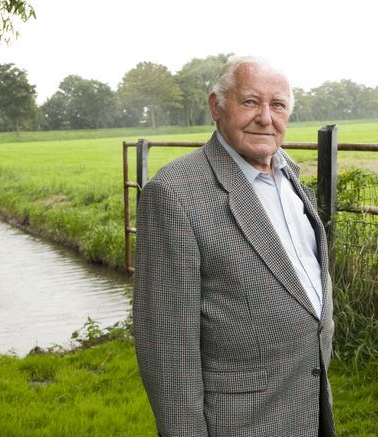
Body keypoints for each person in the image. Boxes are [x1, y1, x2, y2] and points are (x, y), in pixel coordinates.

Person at [133, 56, 335, 437]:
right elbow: (167, 354)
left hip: (306, 406)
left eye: (277, 105)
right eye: (250, 102)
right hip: (240, 422)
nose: (265, 116)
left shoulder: (289, 174)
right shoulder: (175, 193)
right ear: (216, 106)